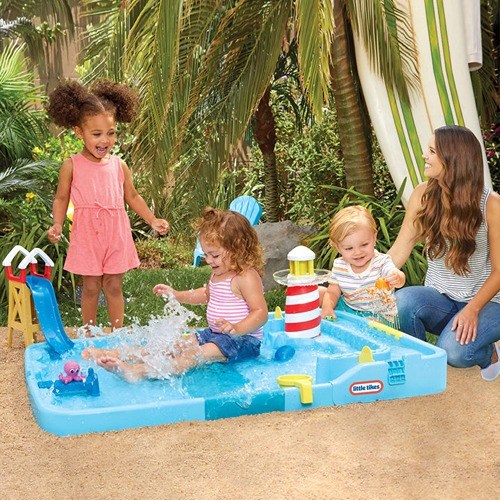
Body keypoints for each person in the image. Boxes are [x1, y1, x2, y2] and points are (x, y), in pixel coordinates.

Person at [83, 208, 268, 381]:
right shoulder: (218, 273)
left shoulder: (246, 277)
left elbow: (260, 312)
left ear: (238, 250)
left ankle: (137, 372)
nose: (208, 260)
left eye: (215, 255)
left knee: (192, 355)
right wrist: (177, 294)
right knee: (172, 346)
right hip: (214, 334)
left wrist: (238, 328)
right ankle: (113, 354)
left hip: (242, 341)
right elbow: (206, 294)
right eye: (206, 254)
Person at [46, 80, 169, 330]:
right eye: (97, 134)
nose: (105, 140)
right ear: (79, 132)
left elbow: (132, 197)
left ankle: (117, 333)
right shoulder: (71, 165)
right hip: (87, 233)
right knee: (91, 286)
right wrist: (57, 223)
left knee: (113, 285)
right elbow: (61, 198)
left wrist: (152, 219)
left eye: (111, 133)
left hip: (116, 233)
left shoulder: (119, 165)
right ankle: (89, 332)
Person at [388, 125, 500, 381]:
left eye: (432, 151)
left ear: (453, 159)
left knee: (454, 352)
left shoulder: (491, 205)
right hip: (442, 300)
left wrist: (472, 310)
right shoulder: (423, 196)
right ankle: (422, 371)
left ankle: (489, 355)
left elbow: (499, 271)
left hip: (489, 303)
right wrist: (362, 276)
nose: (424, 156)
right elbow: (399, 250)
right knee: (401, 303)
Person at [319, 205, 406, 323]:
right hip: (350, 308)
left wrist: (398, 278)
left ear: (374, 238)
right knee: (319, 293)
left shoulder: (381, 262)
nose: (358, 252)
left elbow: (395, 273)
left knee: (372, 324)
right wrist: (327, 308)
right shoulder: (340, 266)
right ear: (337, 247)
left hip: (379, 314)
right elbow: (333, 292)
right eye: (349, 248)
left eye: (364, 245)